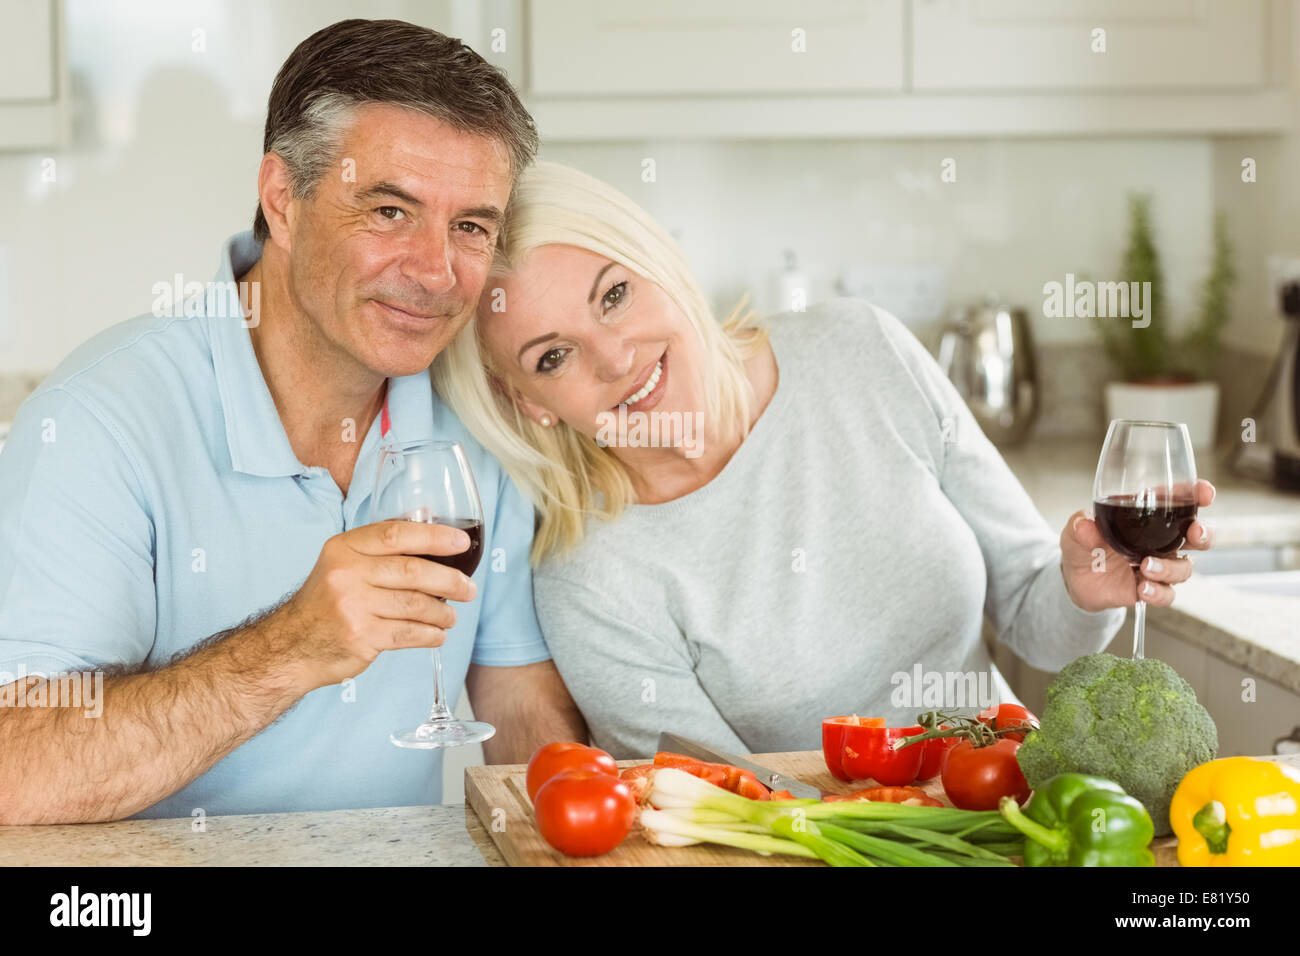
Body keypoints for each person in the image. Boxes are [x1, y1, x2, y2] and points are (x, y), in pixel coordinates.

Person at [0, 20, 586, 825]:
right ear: (283, 198)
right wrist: (296, 646)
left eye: (470, 227)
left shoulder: (475, 420)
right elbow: (16, 770)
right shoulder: (100, 421)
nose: (435, 271)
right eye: (388, 210)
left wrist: (603, 816)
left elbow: (516, 697)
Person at [432, 161, 1217, 759]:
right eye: (553, 356)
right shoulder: (593, 579)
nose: (614, 358)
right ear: (528, 404)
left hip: (1014, 810)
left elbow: (1038, 625)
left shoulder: (858, 348)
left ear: (664, 266)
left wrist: (1087, 592)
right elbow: (720, 811)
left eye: (614, 295)